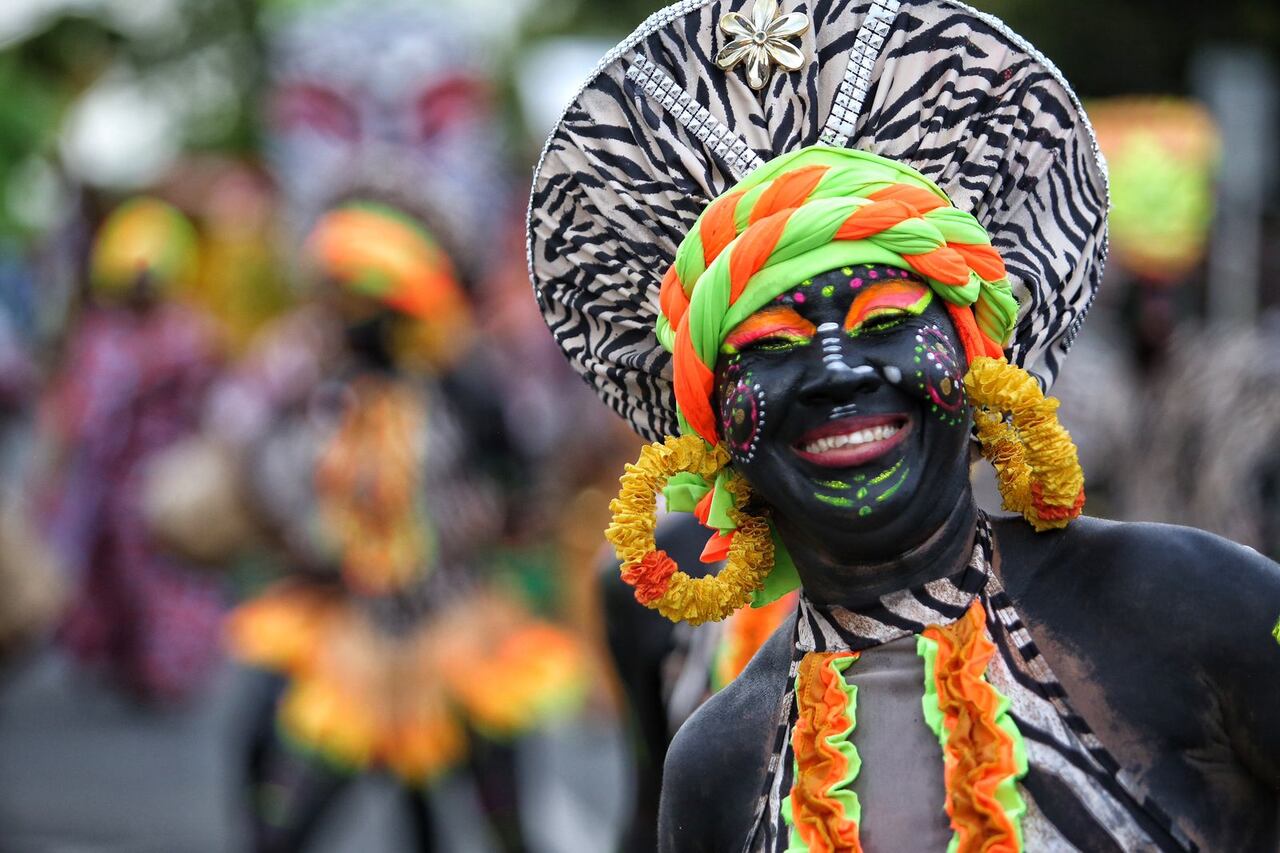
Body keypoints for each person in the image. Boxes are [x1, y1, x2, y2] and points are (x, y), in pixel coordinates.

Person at [527, 1, 1280, 850]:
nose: (839, 371)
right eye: (771, 345)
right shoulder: (720, 760)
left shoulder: (1190, 604)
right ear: (715, 422)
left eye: (886, 320)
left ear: (972, 357)